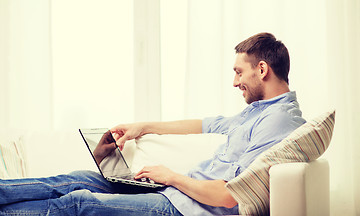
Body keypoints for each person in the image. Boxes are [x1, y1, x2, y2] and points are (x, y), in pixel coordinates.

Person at [0, 33, 306, 216]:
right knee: (79, 179)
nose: (235, 82)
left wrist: (171, 177)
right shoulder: (258, 111)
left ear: (262, 69)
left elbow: (229, 195)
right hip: (176, 195)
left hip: (187, 209)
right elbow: (203, 124)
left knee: (80, 202)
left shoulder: (279, 122)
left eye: (239, 72)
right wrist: (142, 127)